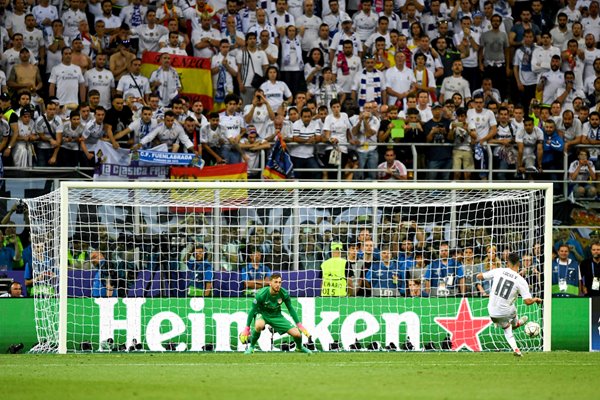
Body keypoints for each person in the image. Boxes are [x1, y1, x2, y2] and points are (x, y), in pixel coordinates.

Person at [477, 252, 542, 357]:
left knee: (507, 328)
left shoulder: (499, 271)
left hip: (492, 312)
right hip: (506, 312)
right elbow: (527, 302)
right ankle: (517, 323)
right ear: (519, 264)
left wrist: (482, 274)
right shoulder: (521, 280)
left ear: (507, 263)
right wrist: (536, 299)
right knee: (512, 307)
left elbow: (479, 276)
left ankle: (516, 349)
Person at [239, 273, 312, 354]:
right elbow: (252, 311)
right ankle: (251, 347)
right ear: (270, 283)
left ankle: (299, 348)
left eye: (280, 282)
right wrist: (247, 328)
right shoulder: (261, 294)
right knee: (259, 325)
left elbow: (291, 309)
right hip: (263, 314)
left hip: (277, 316)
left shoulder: (284, 293)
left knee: (297, 334)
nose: (278, 285)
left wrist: (299, 325)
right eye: (276, 282)